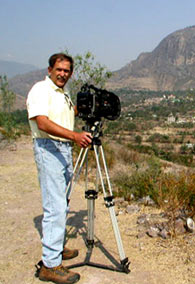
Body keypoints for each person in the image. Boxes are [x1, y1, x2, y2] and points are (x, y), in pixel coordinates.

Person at [27, 53, 92, 284]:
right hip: (49, 147)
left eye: (67, 71)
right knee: (55, 206)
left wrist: (84, 109)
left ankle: (55, 248)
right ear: (50, 69)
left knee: (62, 202)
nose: (63, 74)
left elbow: (64, 116)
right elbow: (42, 122)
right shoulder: (40, 90)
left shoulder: (62, 94)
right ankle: (50, 265)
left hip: (63, 149)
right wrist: (75, 135)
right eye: (59, 69)